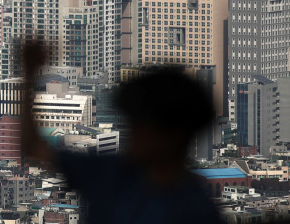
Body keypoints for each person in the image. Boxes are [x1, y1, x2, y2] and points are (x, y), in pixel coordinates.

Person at [21, 42, 224, 224]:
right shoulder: (109, 171)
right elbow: (32, 147)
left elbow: (34, 147)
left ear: (174, 135)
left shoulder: (195, 211)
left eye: (141, 126)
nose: (133, 135)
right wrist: (29, 75)